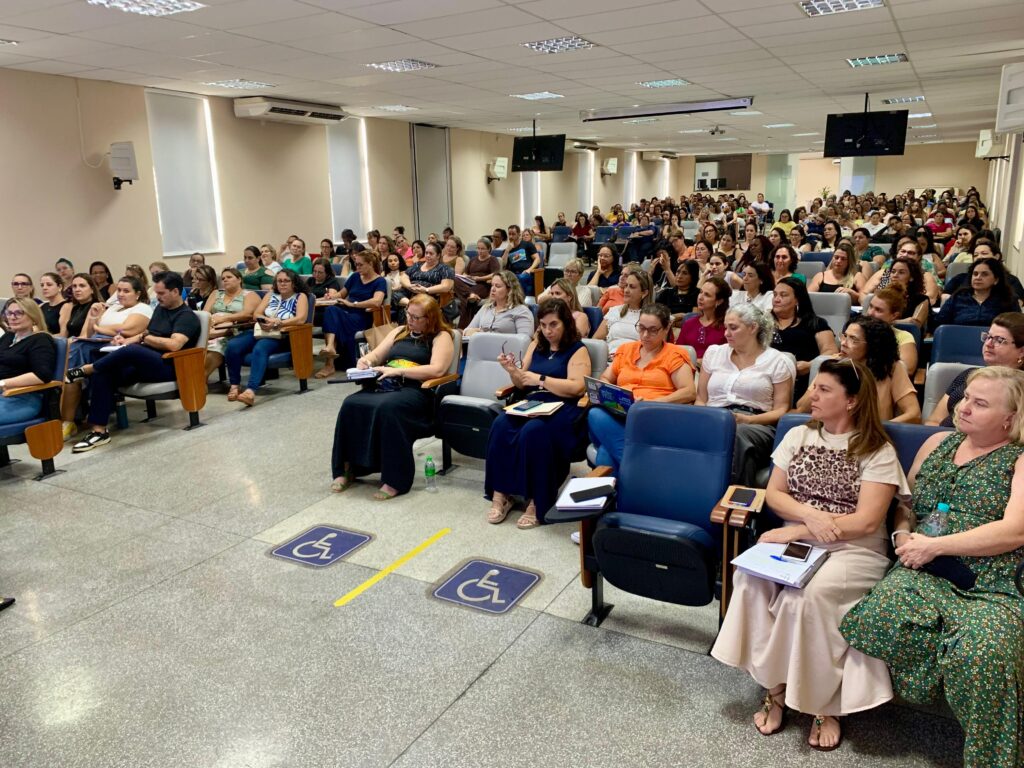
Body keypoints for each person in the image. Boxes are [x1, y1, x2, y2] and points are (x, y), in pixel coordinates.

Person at [713, 358, 909, 752]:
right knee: (748, 579)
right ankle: (776, 688)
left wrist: (803, 528)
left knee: (808, 597)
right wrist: (808, 518)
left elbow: (869, 521)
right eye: (813, 388)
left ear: (851, 400)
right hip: (803, 537)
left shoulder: (876, 449)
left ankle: (825, 703)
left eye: (823, 390)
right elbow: (776, 493)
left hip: (855, 547)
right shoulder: (799, 435)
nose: (811, 396)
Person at [841, 367, 1024, 768]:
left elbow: (1014, 531)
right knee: (873, 618)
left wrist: (934, 546)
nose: (963, 407)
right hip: (920, 568)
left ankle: (993, 758)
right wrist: (902, 537)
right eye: (965, 398)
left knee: (983, 652)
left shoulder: (1020, 459)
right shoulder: (937, 442)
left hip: (989, 583)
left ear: (1010, 417)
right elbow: (905, 507)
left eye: (981, 403)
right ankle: (946, 671)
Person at [331, 294, 455, 500]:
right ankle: (347, 468)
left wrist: (400, 372)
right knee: (351, 403)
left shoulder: (441, 336)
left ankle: (395, 479)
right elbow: (376, 355)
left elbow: (438, 369)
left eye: (416, 317)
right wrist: (365, 361)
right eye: (409, 315)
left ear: (430, 319)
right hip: (388, 383)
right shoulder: (399, 331)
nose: (410, 320)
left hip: (417, 390)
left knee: (388, 409)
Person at [484, 299, 590, 528]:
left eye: (554, 325)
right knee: (501, 424)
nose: (548, 331)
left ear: (566, 324)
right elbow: (523, 383)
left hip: (563, 407)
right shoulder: (537, 345)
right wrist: (512, 371)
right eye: (543, 325)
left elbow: (577, 387)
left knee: (534, 432)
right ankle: (501, 493)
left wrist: (541, 379)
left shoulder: (578, 350)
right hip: (533, 403)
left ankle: (536, 501)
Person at [67, 272, 201, 453]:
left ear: (175, 291)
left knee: (131, 351)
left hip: (171, 366)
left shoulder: (187, 317)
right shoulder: (161, 310)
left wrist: (146, 339)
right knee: (105, 372)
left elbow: (174, 345)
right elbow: (145, 334)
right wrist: (126, 341)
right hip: (147, 361)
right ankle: (99, 431)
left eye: (161, 293)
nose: (157, 297)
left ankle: (87, 369)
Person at [587, 303, 695, 472]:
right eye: (641, 328)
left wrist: (653, 403)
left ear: (666, 329)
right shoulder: (626, 350)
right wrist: (611, 393)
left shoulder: (674, 354)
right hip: (622, 413)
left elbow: (688, 391)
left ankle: (634, 470)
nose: (645, 335)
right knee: (595, 413)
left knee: (605, 455)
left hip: (653, 416)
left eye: (653, 330)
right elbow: (606, 377)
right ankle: (639, 469)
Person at [695, 304, 795, 485]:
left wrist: (747, 420)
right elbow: (701, 399)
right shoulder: (714, 353)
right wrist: (706, 419)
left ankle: (732, 502)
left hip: (757, 423)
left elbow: (781, 410)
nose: (726, 333)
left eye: (733, 328)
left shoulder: (777, 361)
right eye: (725, 327)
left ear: (753, 327)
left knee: (737, 434)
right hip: (715, 417)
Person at [61, 275, 154, 439]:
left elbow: (127, 329)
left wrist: (98, 326)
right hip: (95, 344)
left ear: (138, 294)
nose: (121, 294)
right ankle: (69, 416)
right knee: (73, 348)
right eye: (119, 290)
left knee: (75, 355)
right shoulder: (112, 307)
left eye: (126, 291)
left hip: (118, 349)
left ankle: (70, 416)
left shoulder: (142, 308)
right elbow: (87, 334)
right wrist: (92, 317)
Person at [796, 316, 920, 422]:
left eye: (853, 339)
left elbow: (914, 414)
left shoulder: (891, 368)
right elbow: (801, 408)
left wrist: (879, 429)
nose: (844, 343)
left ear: (872, 345)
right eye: (844, 336)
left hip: (873, 439)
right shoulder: (834, 364)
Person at [223, 269, 309, 407]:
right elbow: (256, 314)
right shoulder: (271, 295)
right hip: (262, 330)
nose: (282, 284)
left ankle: (250, 391)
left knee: (260, 347)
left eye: (286, 281)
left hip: (283, 334)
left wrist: (278, 322)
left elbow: (300, 319)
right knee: (233, 345)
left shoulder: (300, 296)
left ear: (294, 283)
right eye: (279, 281)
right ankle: (234, 385)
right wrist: (266, 321)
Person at [925, 313, 1024, 426]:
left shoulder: (1019, 390)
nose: (988, 344)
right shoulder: (968, 375)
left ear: (1021, 351)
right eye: (988, 337)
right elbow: (934, 420)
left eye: (999, 340)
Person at [316, 252, 387, 380]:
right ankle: (330, 352)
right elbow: (341, 294)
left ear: (370, 264)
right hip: (347, 312)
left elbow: (376, 301)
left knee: (332, 313)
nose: (357, 267)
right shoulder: (355, 277)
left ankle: (329, 360)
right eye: (356, 264)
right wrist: (331, 297)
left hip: (362, 315)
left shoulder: (380, 281)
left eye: (360, 265)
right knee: (331, 310)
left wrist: (353, 304)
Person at [770, 277, 838, 400]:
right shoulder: (763, 322)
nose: (776, 299)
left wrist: (810, 365)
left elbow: (831, 352)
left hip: (800, 381)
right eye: (775, 295)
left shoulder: (815, 323)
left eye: (783, 295)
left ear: (797, 300)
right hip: (766, 379)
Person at [0, 298, 58, 427]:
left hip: (20, 398)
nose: (12, 317)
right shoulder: (9, 336)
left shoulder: (40, 340)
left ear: (33, 316)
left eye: (19, 313)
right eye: (9, 313)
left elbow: (42, 375)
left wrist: (3, 383)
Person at [203, 267, 259, 380]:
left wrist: (223, 319)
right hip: (212, 327)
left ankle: (201, 378)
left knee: (218, 345)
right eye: (223, 278)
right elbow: (205, 313)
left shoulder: (249, 295)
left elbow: (247, 314)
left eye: (229, 277)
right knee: (196, 346)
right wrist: (212, 321)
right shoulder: (216, 293)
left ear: (239, 280)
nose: (225, 280)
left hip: (236, 330)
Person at [934, 258, 1017, 328]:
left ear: (996, 280)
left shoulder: (1007, 299)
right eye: (975, 274)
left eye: (984, 274)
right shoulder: (958, 297)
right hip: (959, 341)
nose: (978, 278)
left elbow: (1016, 327)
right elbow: (939, 323)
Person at [593, 269, 654, 356]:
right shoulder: (614, 311)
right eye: (626, 286)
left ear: (644, 293)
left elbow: (654, 350)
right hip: (609, 358)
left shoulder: (654, 318)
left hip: (636, 361)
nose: (626, 290)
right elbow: (595, 340)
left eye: (632, 287)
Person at [392, 241, 455, 323]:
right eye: (426, 253)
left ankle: (411, 306)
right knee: (394, 294)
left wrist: (426, 290)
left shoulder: (445, 268)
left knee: (411, 303)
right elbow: (404, 276)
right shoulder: (418, 265)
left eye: (431, 253)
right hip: (411, 291)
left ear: (438, 255)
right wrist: (409, 286)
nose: (428, 255)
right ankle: (411, 304)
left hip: (428, 294)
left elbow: (446, 286)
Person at [864, 285, 919, 377]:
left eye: (878, 310)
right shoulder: (857, 331)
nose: (870, 313)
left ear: (894, 315)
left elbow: (908, 369)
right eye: (871, 306)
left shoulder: (903, 336)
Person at [463, 271, 534, 337]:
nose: (492, 289)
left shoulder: (521, 311)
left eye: (497, 286)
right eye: (492, 285)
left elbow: (524, 340)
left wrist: (482, 333)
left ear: (509, 290)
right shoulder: (486, 308)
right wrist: (473, 331)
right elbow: (466, 331)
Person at [677, 277, 731, 362]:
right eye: (701, 292)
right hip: (686, 369)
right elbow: (677, 351)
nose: (700, 297)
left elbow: (727, 357)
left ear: (719, 301)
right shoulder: (689, 323)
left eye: (707, 295)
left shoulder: (727, 327)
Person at [460, 238, 501, 327]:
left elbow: (495, 274)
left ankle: (463, 327)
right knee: (456, 280)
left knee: (466, 300)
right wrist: (466, 276)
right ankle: (470, 294)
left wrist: (480, 278)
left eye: (482, 249)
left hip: (483, 284)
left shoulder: (492, 259)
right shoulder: (473, 259)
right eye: (478, 248)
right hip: (469, 283)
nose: (480, 251)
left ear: (489, 249)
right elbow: (465, 272)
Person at [58, 274, 104, 339]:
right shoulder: (73, 307)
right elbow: (63, 335)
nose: (77, 289)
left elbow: (86, 336)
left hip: (82, 344)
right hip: (69, 343)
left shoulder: (96, 306)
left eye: (82, 286)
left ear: (92, 289)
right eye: (74, 286)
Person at [656, 259, 700, 325]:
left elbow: (693, 321)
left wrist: (670, 319)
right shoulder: (666, 293)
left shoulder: (698, 294)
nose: (679, 276)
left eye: (685, 273)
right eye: (678, 272)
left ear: (693, 277)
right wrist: (682, 315)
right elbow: (657, 318)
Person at [505, 226, 541, 295]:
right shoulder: (508, 249)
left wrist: (529, 269)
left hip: (525, 273)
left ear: (519, 234)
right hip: (513, 274)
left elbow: (537, 259)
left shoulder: (527, 245)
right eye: (509, 234)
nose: (511, 236)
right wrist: (507, 251)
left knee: (521, 277)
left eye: (513, 234)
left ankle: (521, 301)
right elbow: (503, 264)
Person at [307, 257, 342, 328]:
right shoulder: (310, 280)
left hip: (321, 311)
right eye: (314, 271)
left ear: (327, 273)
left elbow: (330, 297)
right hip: (309, 308)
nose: (316, 274)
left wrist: (312, 301)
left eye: (320, 272)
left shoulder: (332, 282)